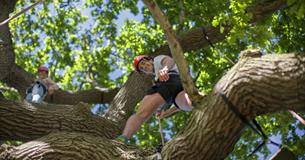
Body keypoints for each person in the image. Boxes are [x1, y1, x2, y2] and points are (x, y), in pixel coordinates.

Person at [118, 55, 193, 143]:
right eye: (142, 68)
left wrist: (165, 69)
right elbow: (176, 105)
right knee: (189, 102)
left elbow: (168, 60)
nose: (144, 67)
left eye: (143, 63)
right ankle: (206, 100)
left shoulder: (157, 60)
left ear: (149, 60)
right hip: (182, 86)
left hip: (170, 78)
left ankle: (123, 138)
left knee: (140, 115)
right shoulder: (158, 76)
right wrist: (165, 112)